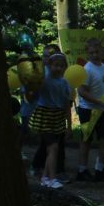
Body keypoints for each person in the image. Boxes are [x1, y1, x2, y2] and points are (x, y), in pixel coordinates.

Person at [26, 52, 72, 189]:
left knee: (51, 150)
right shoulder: (43, 80)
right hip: (44, 115)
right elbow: (32, 95)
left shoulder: (64, 83)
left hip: (57, 117)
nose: (58, 68)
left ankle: (45, 178)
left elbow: (66, 105)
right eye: (56, 65)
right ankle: (52, 179)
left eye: (62, 66)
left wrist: (69, 126)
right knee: (53, 147)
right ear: (49, 65)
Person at [75, 38, 104, 182]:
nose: (94, 55)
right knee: (86, 140)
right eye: (91, 52)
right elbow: (82, 91)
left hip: (102, 109)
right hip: (88, 110)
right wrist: (98, 101)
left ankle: (100, 168)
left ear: (102, 51)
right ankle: (82, 170)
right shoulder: (87, 69)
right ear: (87, 53)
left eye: (97, 51)